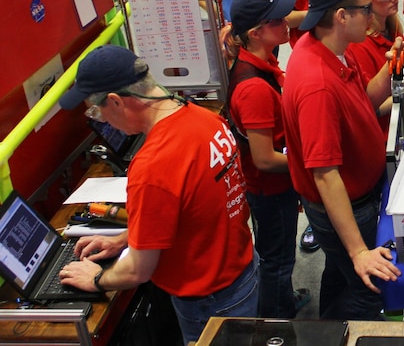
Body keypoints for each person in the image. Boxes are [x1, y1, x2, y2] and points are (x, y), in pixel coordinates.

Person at [57, 45, 258, 343]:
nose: (103, 120)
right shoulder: (205, 119)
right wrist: (128, 239)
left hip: (208, 299)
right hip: (242, 272)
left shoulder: (152, 166)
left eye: (97, 111)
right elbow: (194, 210)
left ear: (115, 101)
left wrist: (96, 279)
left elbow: (138, 271)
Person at [281, 0, 404, 320]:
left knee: (339, 278)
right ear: (342, 16)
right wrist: (358, 253)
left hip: (361, 195)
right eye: (366, 9)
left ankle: (328, 327)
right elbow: (325, 174)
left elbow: (363, 102)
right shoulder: (316, 85)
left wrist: (391, 70)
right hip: (350, 205)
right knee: (369, 286)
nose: (373, 17)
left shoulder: (334, 47)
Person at [226, 0, 310, 318]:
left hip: (276, 185)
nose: (286, 23)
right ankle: (276, 322)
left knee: (277, 253)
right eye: (277, 20)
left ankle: (282, 299)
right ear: (255, 33)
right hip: (271, 189)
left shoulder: (263, 62)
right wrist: (307, 165)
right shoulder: (254, 89)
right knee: (277, 258)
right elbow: (263, 158)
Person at [346, 0, 404, 136]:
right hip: (383, 138)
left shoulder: (392, 28)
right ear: (365, 0)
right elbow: (368, 107)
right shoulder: (358, 44)